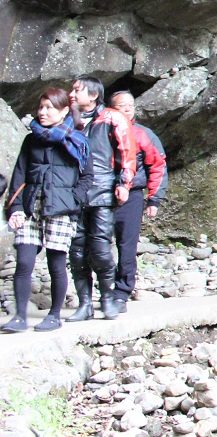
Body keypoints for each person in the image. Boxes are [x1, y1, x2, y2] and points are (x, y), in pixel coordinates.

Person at [3, 88, 86, 332]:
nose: (43, 112)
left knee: (56, 264)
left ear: (63, 111)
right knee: (24, 262)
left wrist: (73, 201)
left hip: (61, 210)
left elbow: (87, 178)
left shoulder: (76, 140)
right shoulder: (31, 140)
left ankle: (54, 315)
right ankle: (19, 316)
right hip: (31, 208)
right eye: (41, 107)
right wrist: (15, 208)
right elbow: (19, 175)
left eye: (49, 107)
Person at [67, 76, 135, 321]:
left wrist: (124, 184)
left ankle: (107, 298)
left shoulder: (112, 117)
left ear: (93, 95)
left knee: (100, 248)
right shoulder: (67, 118)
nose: (72, 94)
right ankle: (84, 304)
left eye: (77, 90)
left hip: (102, 188)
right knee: (76, 251)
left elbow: (127, 152)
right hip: (73, 192)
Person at [106, 92, 166, 317]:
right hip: (103, 195)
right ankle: (106, 286)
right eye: (122, 106)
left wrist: (154, 198)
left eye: (130, 105)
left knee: (126, 245)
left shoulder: (142, 134)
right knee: (98, 244)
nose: (127, 109)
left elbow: (157, 165)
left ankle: (122, 292)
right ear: (111, 109)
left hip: (132, 195)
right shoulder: (102, 132)